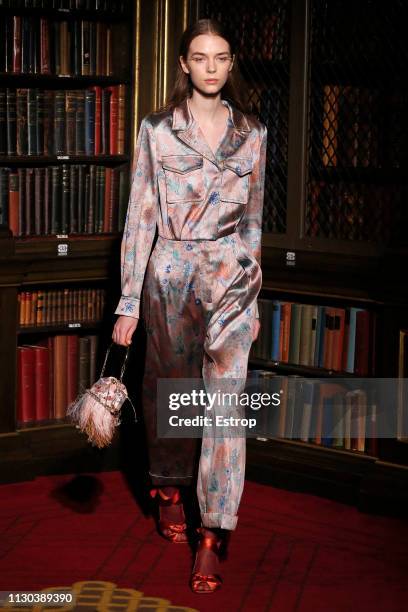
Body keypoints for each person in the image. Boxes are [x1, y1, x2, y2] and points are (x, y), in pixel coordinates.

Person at [112, 18, 267, 594]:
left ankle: (213, 533)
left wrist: (252, 283)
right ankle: (169, 488)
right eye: (199, 57)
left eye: (220, 57)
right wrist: (128, 301)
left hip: (231, 278)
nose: (210, 66)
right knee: (172, 391)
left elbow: (252, 221)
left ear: (230, 64)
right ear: (184, 64)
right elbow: (140, 217)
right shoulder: (156, 129)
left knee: (225, 404)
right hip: (170, 276)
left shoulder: (253, 131)